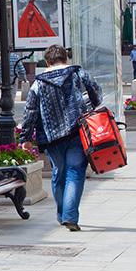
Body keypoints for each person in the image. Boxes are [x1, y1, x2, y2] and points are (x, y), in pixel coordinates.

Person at [20, 44, 102, 231]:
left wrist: (26, 137)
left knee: (59, 173)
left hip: (51, 138)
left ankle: (61, 213)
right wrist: (88, 108)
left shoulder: (38, 84)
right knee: (75, 172)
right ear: (66, 60)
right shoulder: (79, 75)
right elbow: (96, 95)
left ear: (48, 63)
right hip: (77, 133)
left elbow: (30, 112)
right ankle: (70, 216)